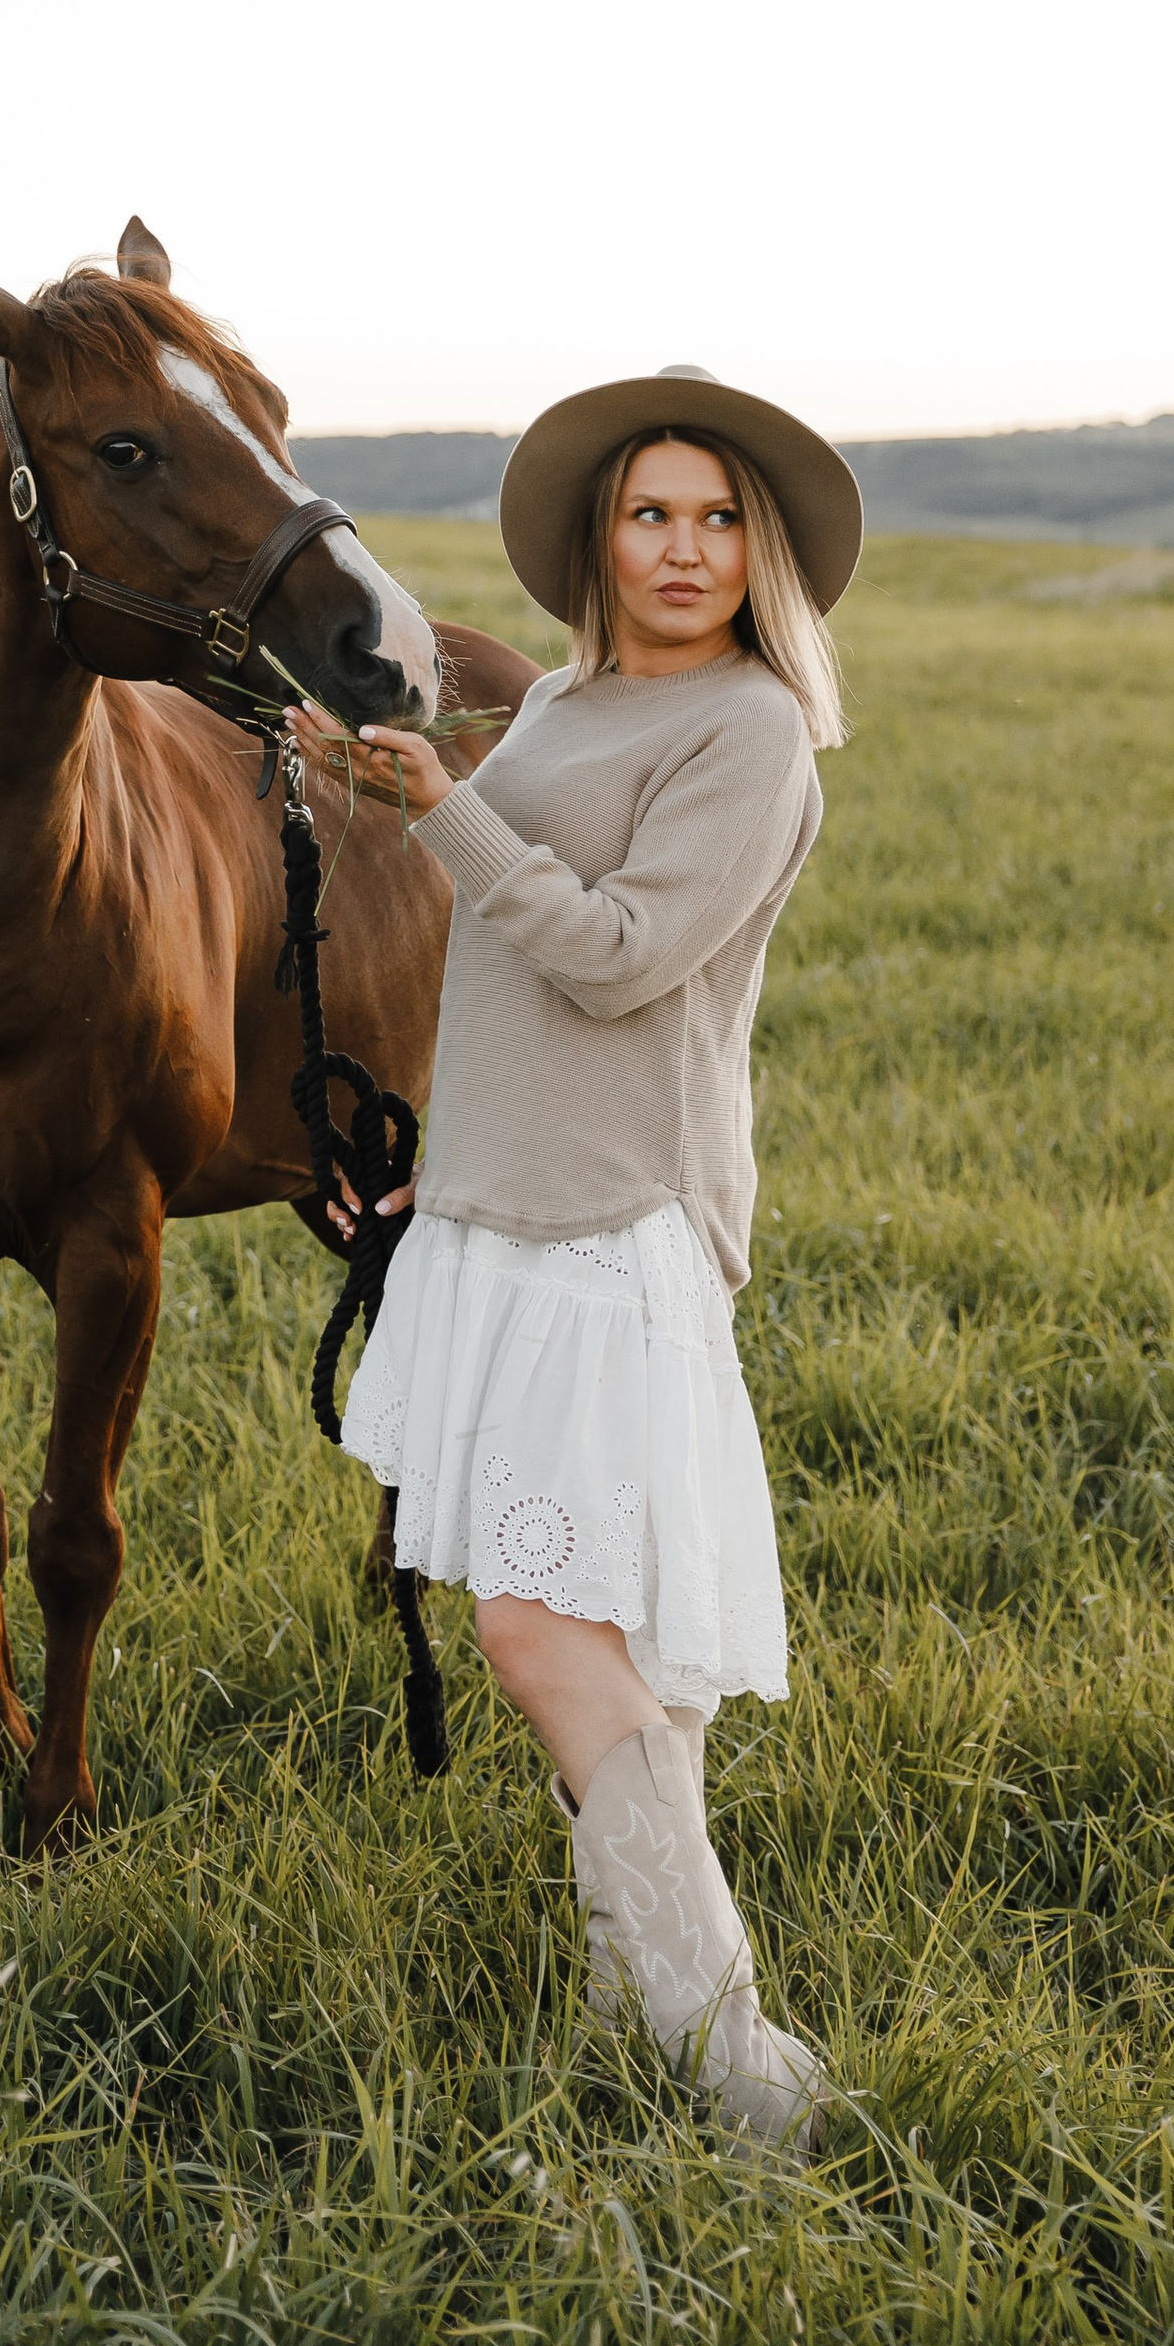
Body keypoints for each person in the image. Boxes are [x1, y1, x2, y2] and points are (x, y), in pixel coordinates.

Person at [293, 362, 858, 2152]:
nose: (683, 548)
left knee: (536, 1628)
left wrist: (442, 807)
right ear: (601, 542)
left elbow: (614, 956)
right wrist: (425, 1190)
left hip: (619, 1225)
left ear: (754, 550)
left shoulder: (750, 731)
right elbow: (507, 975)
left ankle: (738, 2060)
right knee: (605, 1633)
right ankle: (650, 2004)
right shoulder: (572, 705)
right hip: (501, 1212)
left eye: (715, 519)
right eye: (650, 514)